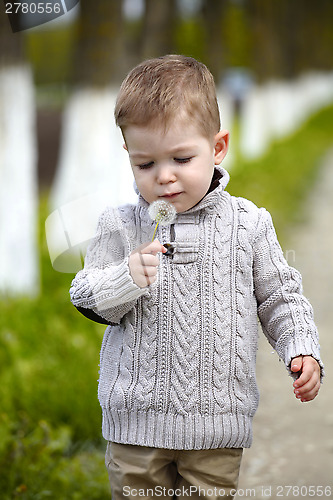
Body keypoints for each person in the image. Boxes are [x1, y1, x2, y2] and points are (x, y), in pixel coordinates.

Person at [69, 55, 323, 499]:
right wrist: (127, 277)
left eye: (181, 158)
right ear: (128, 155)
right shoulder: (121, 225)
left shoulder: (249, 224)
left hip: (216, 428)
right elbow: (87, 297)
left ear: (218, 146)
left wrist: (300, 347)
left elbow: (280, 298)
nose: (164, 177)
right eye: (145, 165)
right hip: (135, 427)